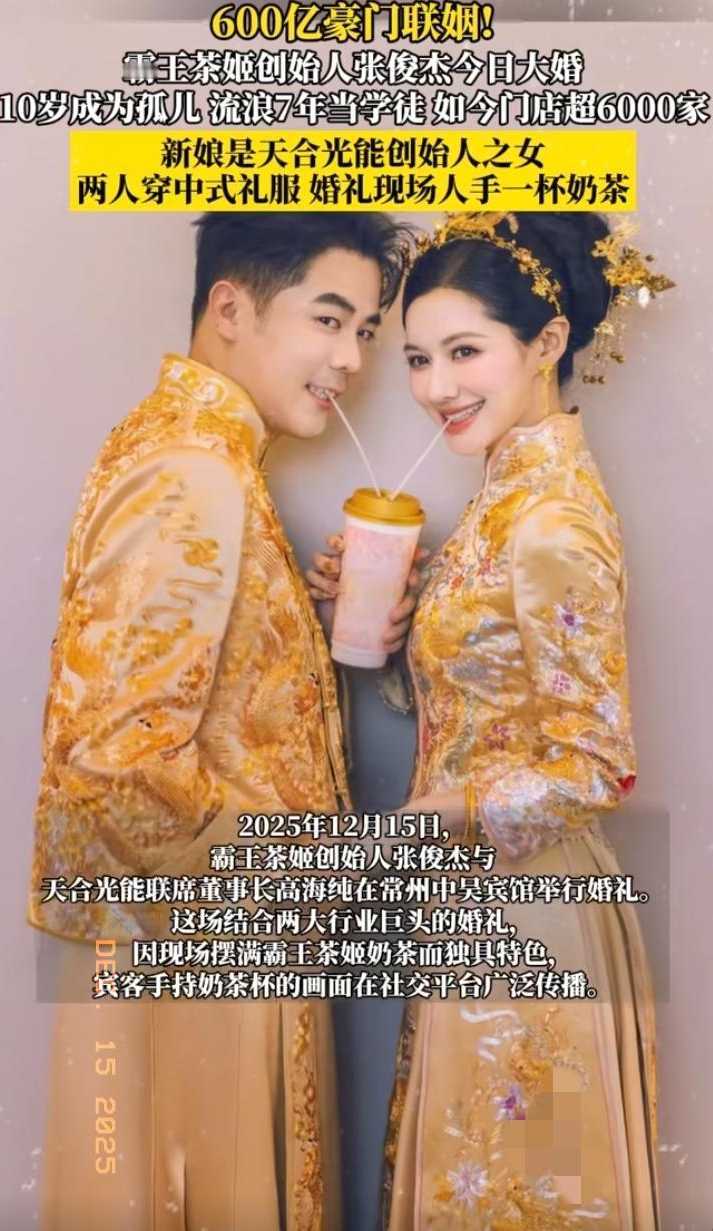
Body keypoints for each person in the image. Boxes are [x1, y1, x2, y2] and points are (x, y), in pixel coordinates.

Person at [27, 211, 418, 1231]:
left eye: (365, 330)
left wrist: (307, 629)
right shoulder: (192, 471)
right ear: (231, 308)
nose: (352, 358)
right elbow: (116, 765)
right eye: (328, 319)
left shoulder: (199, 452)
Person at [307, 211, 668, 1229]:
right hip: (485, 901)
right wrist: (379, 627)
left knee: (520, 1196)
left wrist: (444, 814)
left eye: (464, 352)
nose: (435, 387)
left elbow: (599, 763)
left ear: (546, 342)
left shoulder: (551, 519)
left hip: (531, 906)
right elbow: (485, 704)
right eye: (419, 358)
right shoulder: (502, 496)